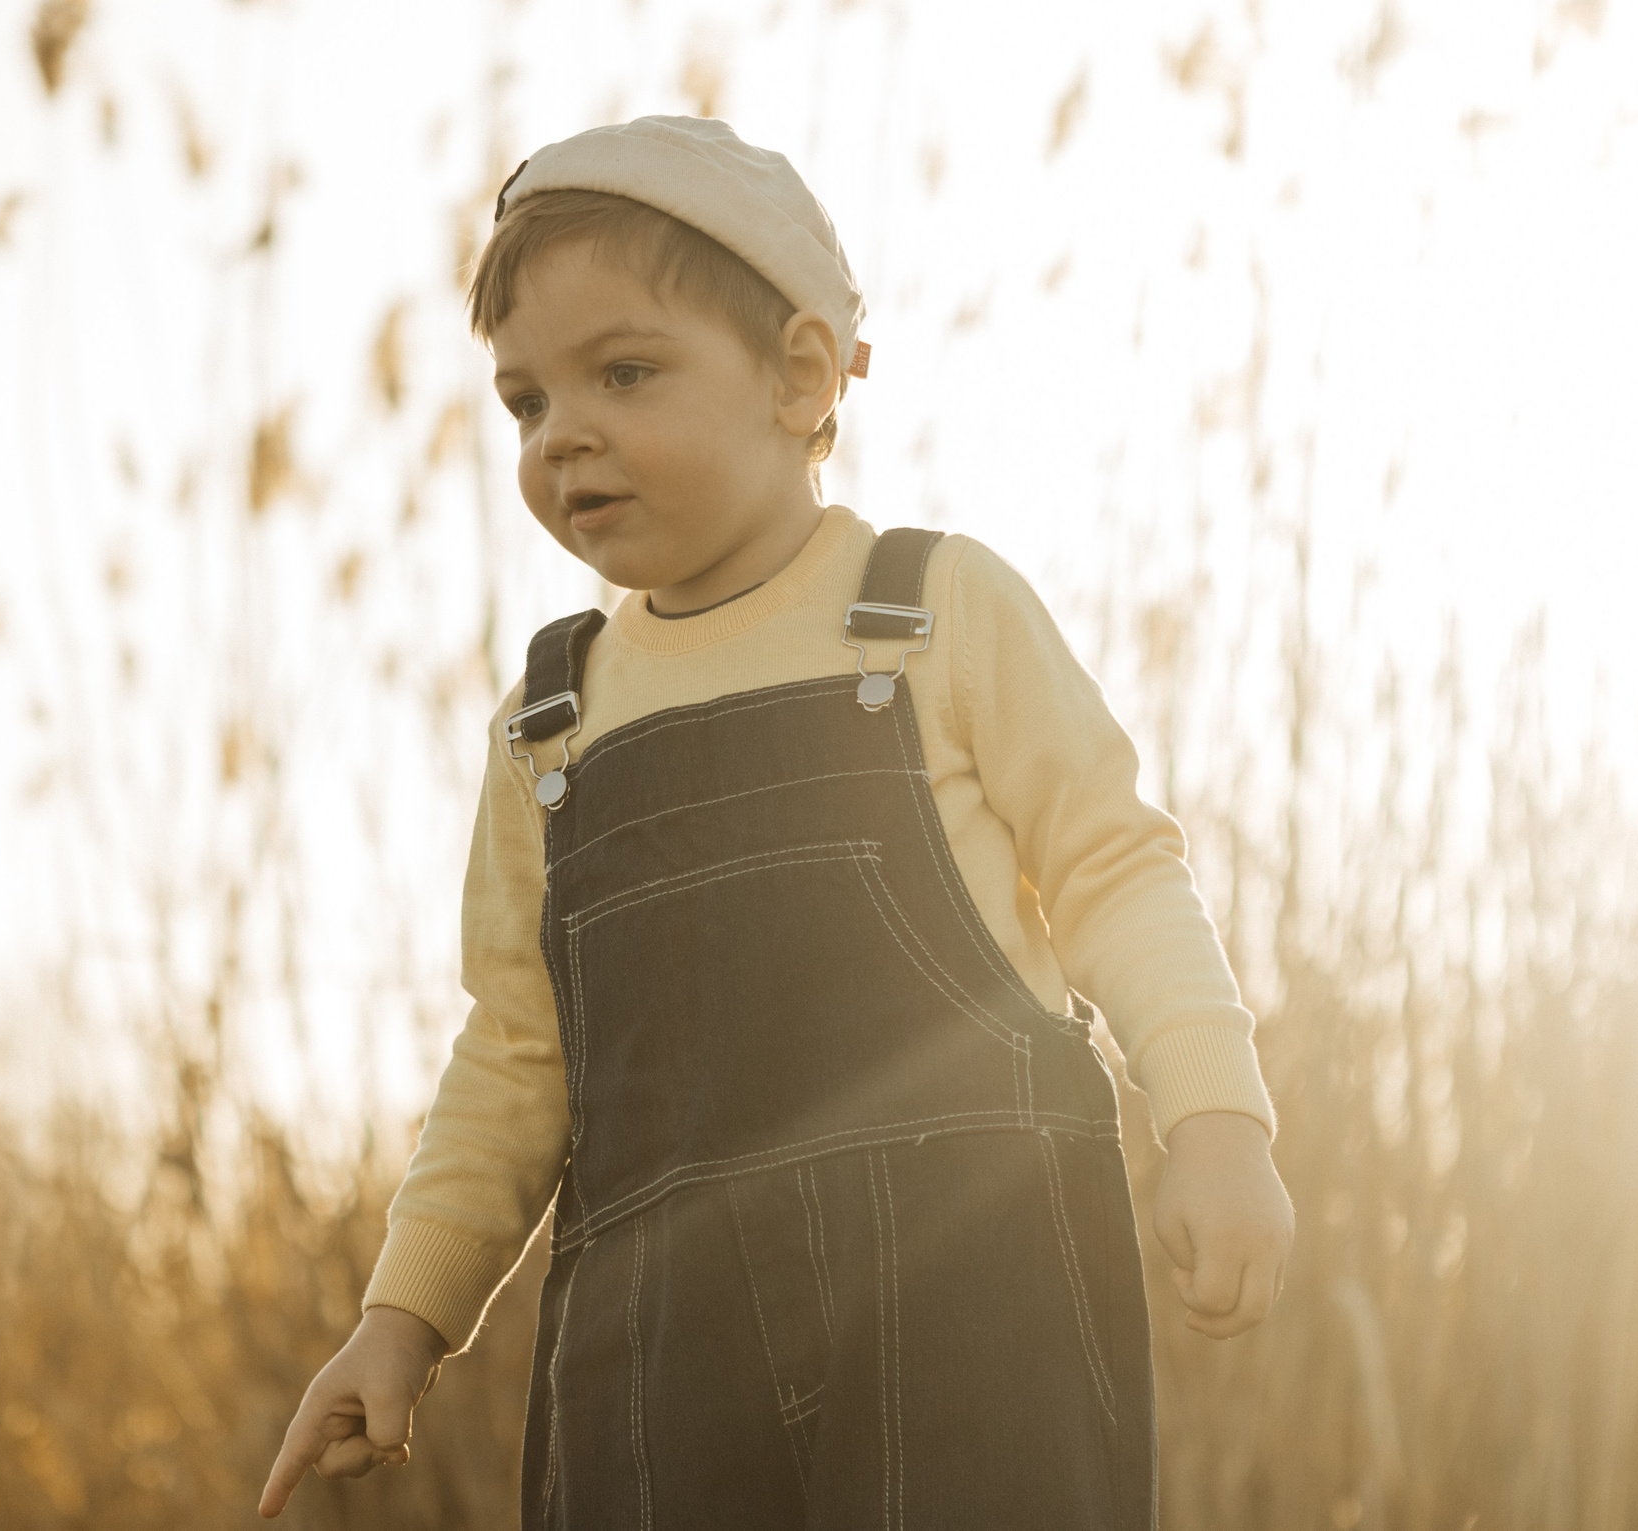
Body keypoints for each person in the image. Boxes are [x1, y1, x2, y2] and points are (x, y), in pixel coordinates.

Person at [259, 116, 1294, 1527]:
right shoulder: (552, 724)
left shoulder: (934, 615)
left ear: (801, 376)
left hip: (969, 1308)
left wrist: (1218, 1120)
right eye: (525, 402)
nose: (566, 435)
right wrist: (403, 1319)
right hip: (661, 1362)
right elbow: (515, 1054)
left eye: (624, 372)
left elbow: (1115, 871)